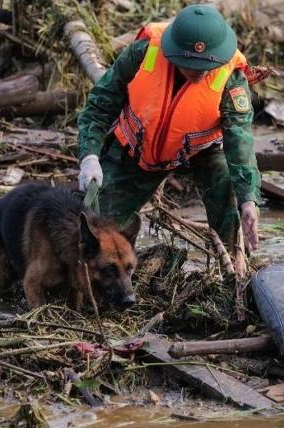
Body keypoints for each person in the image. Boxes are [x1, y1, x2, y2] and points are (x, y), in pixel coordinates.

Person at [76, 3, 261, 251]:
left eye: (206, 66)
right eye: (192, 66)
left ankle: (232, 260)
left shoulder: (232, 78)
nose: (200, 73)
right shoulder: (142, 53)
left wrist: (249, 199)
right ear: (173, 53)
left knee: (226, 188)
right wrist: (89, 156)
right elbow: (99, 106)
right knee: (99, 228)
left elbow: (240, 139)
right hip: (137, 152)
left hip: (200, 152)